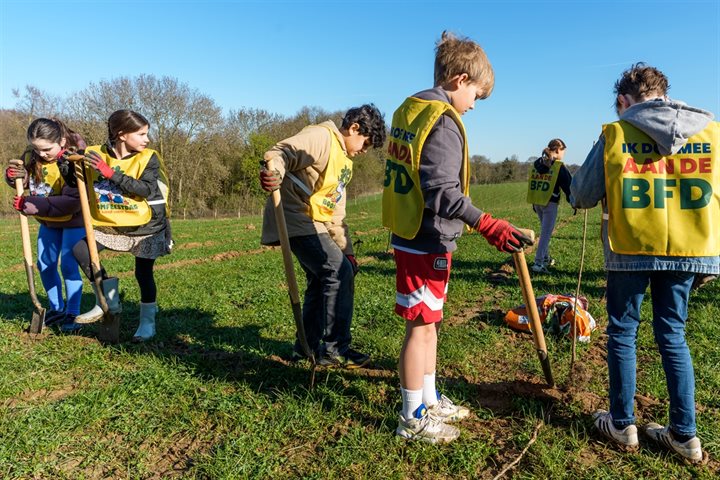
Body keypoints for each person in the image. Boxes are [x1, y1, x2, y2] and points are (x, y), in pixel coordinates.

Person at [383, 32, 533, 444]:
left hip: (412, 233)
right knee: (419, 326)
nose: (473, 106)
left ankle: (428, 400)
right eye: (476, 96)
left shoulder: (410, 108)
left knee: (429, 323)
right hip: (425, 237)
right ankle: (412, 417)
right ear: (459, 79)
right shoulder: (444, 121)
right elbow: (443, 191)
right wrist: (487, 224)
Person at [571, 63, 718, 463]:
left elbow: (581, 194)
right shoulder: (711, 131)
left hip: (630, 246)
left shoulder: (617, 133)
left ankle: (622, 424)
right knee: (673, 334)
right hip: (691, 248)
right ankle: (685, 435)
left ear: (624, 101)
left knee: (623, 332)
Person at [259, 105, 386, 369]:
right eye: (365, 143)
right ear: (354, 128)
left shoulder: (343, 162)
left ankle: (304, 348)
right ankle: (335, 349)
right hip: (295, 217)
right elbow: (279, 153)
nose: (364, 151)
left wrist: (347, 251)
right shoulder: (321, 137)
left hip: (315, 221)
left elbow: (335, 214)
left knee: (323, 278)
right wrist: (275, 173)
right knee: (336, 272)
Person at [72, 109, 172, 342]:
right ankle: (107, 300)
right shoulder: (95, 154)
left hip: (145, 225)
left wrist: (110, 174)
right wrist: (70, 161)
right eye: (141, 134)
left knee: (143, 273)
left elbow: (145, 189)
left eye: (147, 133)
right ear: (121, 134)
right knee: (81, 250)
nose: (147, 139)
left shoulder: (149, 157)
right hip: (109, 223)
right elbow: (71, 177)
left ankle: (147, 323)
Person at [5, 118, 87, 333]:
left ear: (61, 141)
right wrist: (13, 177)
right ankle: (56, 308)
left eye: (47, 149)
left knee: (69, 265)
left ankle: (72, 312)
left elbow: (72, 202)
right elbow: (24, 180)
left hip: (74, 221)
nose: (42, 154)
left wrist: (34, 205)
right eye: (36, 149)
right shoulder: (32, 157)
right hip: (48, 222)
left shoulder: (73, 160)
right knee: (45, 264)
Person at [526, 138, 572, 273]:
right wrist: (574, 201)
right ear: (558, 150)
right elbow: (569, 187)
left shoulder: (536, 162)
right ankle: (538, 263)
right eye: (564, 151)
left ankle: (545, 258)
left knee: (544, 231)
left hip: (537, 202)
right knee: (545, 235)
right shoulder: (558, 166)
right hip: (550, 203)